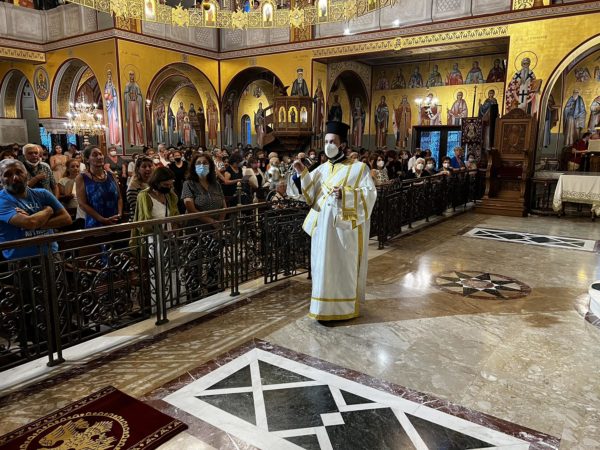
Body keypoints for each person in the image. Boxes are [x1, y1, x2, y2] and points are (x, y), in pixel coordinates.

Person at [292, 121, 377, 321]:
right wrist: (301, 173)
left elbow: (370, 194)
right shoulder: (321, 169)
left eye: (332, 141)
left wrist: (345, 194)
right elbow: (310, 196)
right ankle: (321, 308)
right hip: (322, 229)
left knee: (342, 266)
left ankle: (343, 308)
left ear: (342, 145)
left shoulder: (359, 168)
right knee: (321, 266)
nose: (328, 145)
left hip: (343, 229)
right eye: (326, 141)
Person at [0, 159, 71, 260]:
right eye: (7, 174)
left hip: (51, 254)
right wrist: (47, 211)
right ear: (1, 179)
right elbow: (30, 222)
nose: (15, 178)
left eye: (19, 172)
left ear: (26, 175)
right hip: (21, 260)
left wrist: (35, 222)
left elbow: (66, 219)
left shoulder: (43, 193)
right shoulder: (2, 200)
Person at [76, 146, 123, 228]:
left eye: (100, 154)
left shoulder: (111, 175)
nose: (99, 157)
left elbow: (119, 198)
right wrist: (102, 220)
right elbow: (82, 204)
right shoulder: (82, 178)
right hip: (95, 224)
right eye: (94, 155)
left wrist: (119, 214)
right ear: (87, 159)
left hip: (115, 221)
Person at [182, 154, 227, 227]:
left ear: (210, 166)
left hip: (217, 226)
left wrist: (220, 223)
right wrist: (212, 222)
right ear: (194, 167)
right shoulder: (188, 184)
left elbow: (224, 206)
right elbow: (191, 209)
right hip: (197, 227)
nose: (202, 165)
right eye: (198, 163)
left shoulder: (216, 184)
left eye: (205, 163)